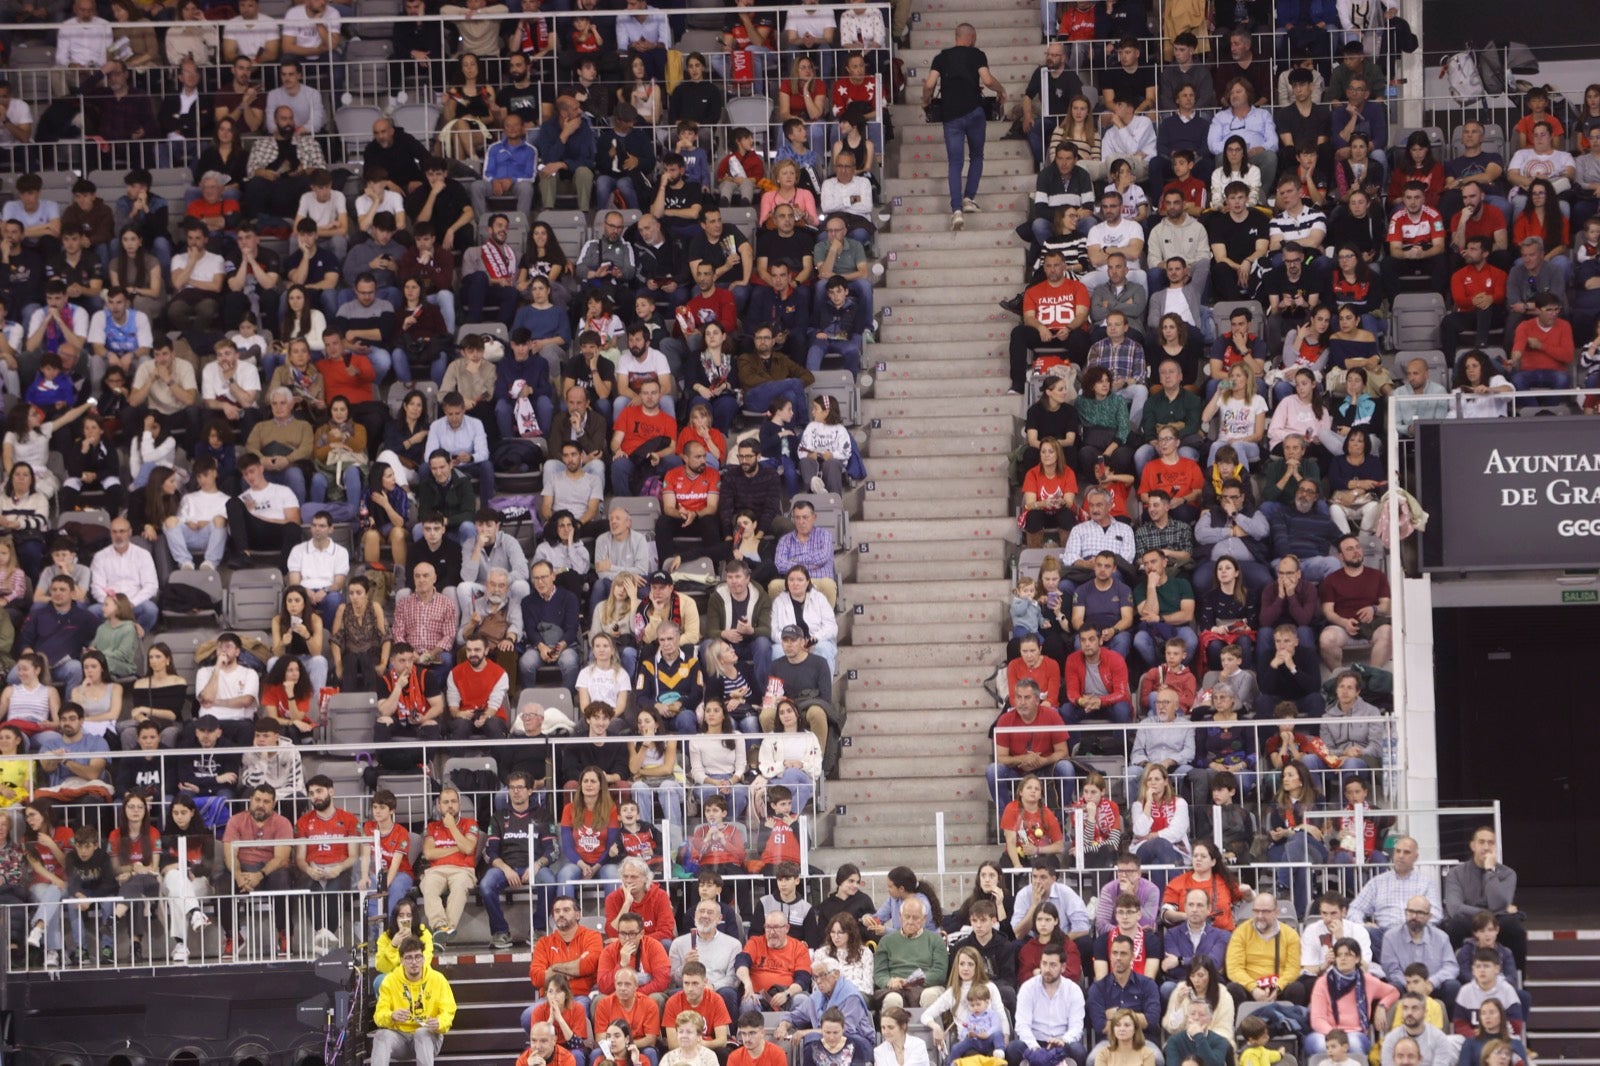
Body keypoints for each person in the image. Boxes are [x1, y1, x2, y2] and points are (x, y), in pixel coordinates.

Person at [922, 24, 1006, 231]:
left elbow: (929, 85)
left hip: (951, 116)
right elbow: (986, 80)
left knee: (955, 163)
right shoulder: (977, 54)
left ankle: (957, 210)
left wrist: (925, 101)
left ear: (956, 36)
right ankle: (969, 198)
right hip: (974, 112)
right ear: (973, 37)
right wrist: (1001, 90)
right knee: (977, 155)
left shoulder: (941, 57)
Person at [373, 934, 457, 1066]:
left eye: (417, 957)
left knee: (422, 1033)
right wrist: (391, 1016)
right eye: (409, 958)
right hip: (399, 1037)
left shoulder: (438, 979)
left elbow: (449, 1010)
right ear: (401, 960)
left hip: (428, 1036)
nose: (414, 962)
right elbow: (379, 1016)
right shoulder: (390, 981)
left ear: (423, 958)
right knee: (381, 1036)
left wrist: (440, 1022)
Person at [1005, 942, 1086, 1066]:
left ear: (1063, 967)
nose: (1047, 969)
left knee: (1078, 1050)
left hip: (1061, 1042)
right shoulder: (1028, 987)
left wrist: (1062, 1041)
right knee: (1013, 1048)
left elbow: (1076, 1027)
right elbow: (1022, 1025)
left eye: (1053, 965)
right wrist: (1035, 1047)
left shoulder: (1073, 990)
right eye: (1044, 964)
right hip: (1034, 1042)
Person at [1226, 892, 1306, 1006]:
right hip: (1250, 988)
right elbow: (1234, 968)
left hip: (1278, 988)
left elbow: (1293, 968)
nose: (1259, 916)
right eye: (1256, 911)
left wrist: (1278, 987)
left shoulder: (1290, 934)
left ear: (1276, 913)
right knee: (1232, 989)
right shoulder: (1240, 932)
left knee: (1297, 989)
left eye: (1265, 912)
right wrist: (1253, 989)